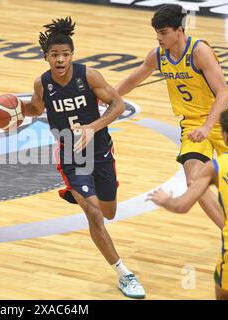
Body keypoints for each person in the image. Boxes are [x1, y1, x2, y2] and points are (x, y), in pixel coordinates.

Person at [23, 17, 145, 299]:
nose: (60, 59)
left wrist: (92, 127)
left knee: (108, 211)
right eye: (55, 55)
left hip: (101, 150)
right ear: (46, 57)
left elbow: (118, 104)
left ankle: (76, 193)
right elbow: (34, 107)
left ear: (72, 56)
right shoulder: (42, 83)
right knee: (92, 214)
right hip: (71, 155)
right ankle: (124, 274)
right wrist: (14, 112)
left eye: (65, 54)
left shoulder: (90, 76)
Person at [116, 4, 228, 230]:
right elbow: (132, 81)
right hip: (191, 124)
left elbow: (224, 93)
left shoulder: (199, 51)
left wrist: (208, 127)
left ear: (179, 31)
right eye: (157, 33)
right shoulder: (158, 56)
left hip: (222, 120)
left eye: (163, 33)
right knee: (193, 182)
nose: (159, 38)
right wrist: (109, 96)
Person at [147, 106, 228, 300]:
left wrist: (164, 200)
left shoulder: (215, 167)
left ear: (225, 135)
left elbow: (181, 206)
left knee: (224, 296)